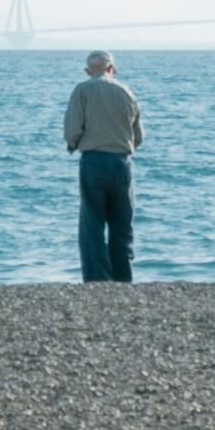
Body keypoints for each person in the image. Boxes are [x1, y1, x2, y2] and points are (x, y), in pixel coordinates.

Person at [62, 48, 144, 281]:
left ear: (89, 71)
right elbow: (138, 136)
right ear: (111, 69)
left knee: (92, 225)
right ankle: (123, 279)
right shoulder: (127, 92)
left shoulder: (82, 90)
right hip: (122, 163)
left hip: (93, 161)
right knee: (122, 225)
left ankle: (97, 281)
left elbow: (72, 129)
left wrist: (73, 144)